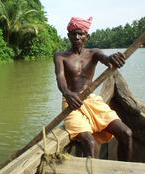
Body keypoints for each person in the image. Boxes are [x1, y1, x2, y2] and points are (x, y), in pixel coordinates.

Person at [54, 17, 132, 161]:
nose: (77, 37)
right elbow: (60, 78)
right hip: (72, 103)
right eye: (73, 33)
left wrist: (113, 58)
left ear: (87, 36)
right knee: (89, 142)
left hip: (91, 100)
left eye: (80, 33)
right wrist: (67, 93)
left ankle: (124, 170)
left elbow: (106, 59)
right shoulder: (60, 56)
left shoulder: (94, 53)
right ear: (68, 36)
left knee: (126, 133)